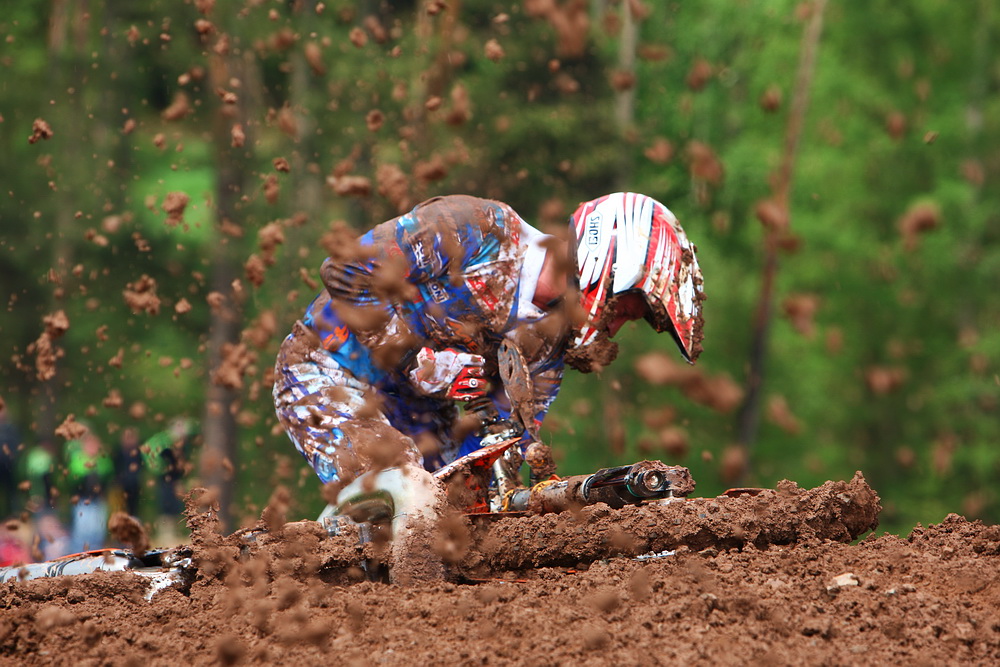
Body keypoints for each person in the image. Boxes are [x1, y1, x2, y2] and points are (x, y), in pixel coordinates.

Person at [273, 193, 704, 492]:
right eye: (631, 306)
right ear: (608, 262)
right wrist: (410, 358)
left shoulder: (549, 344)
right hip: (327, 368)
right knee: (407, 490)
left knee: (466, 515)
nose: (624, 322)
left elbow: (500, 439)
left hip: (416, 408)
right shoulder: (480, 231)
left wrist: (522, 473)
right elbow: (347, 270)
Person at [65, 426, 113, 553]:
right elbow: (73, 478)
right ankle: (79, 557)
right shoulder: (78, 459)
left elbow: (109, 474)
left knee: (98, 532)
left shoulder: (103, 459)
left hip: (99, 501)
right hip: (83, 501)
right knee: (82, 533)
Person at [113, 426, 143, 518]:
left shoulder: (139, 454)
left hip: (135, 488)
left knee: (134, 512)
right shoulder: (117, 453)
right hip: (120, 488)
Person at [0, 404, 23, 519]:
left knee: (12, 495)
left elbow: (16, 447)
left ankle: (12, 516)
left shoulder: (10, 429)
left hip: (9, 467)